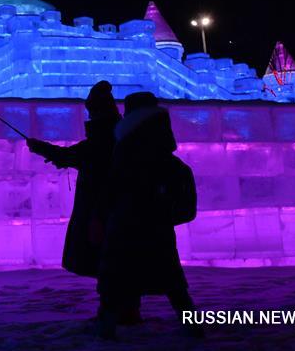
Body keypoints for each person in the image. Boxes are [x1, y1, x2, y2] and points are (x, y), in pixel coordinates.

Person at [96, 91, 202, 339]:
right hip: (156, 230)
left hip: (125, 228)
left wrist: (103, 217)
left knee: (118, 280)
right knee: (172, 283)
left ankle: (106, 328)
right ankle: (192, 326)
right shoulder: (171, 163)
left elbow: (110, 192)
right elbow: (185, 206)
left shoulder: (124, 157)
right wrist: (166, 216)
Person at [26, 81, 128, 318]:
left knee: (107, 262)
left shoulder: (101, 141)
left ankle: (110, 316)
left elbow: (69, 156)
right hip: (120, 210)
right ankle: (127, 310)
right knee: (118, 262)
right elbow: (72, 156)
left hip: (99, 212)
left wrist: (41, 148)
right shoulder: (119, 138)